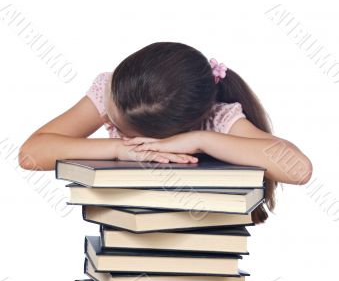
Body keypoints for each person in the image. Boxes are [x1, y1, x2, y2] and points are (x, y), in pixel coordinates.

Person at [18, 41, 312, 223]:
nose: (113, 126)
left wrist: (200, 140)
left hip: (199, 238)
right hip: (127, 234)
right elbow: (31, 153)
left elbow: (299, 169)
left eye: (121, 131)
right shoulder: (111, 93)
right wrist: (117, 149)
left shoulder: (214, 119)